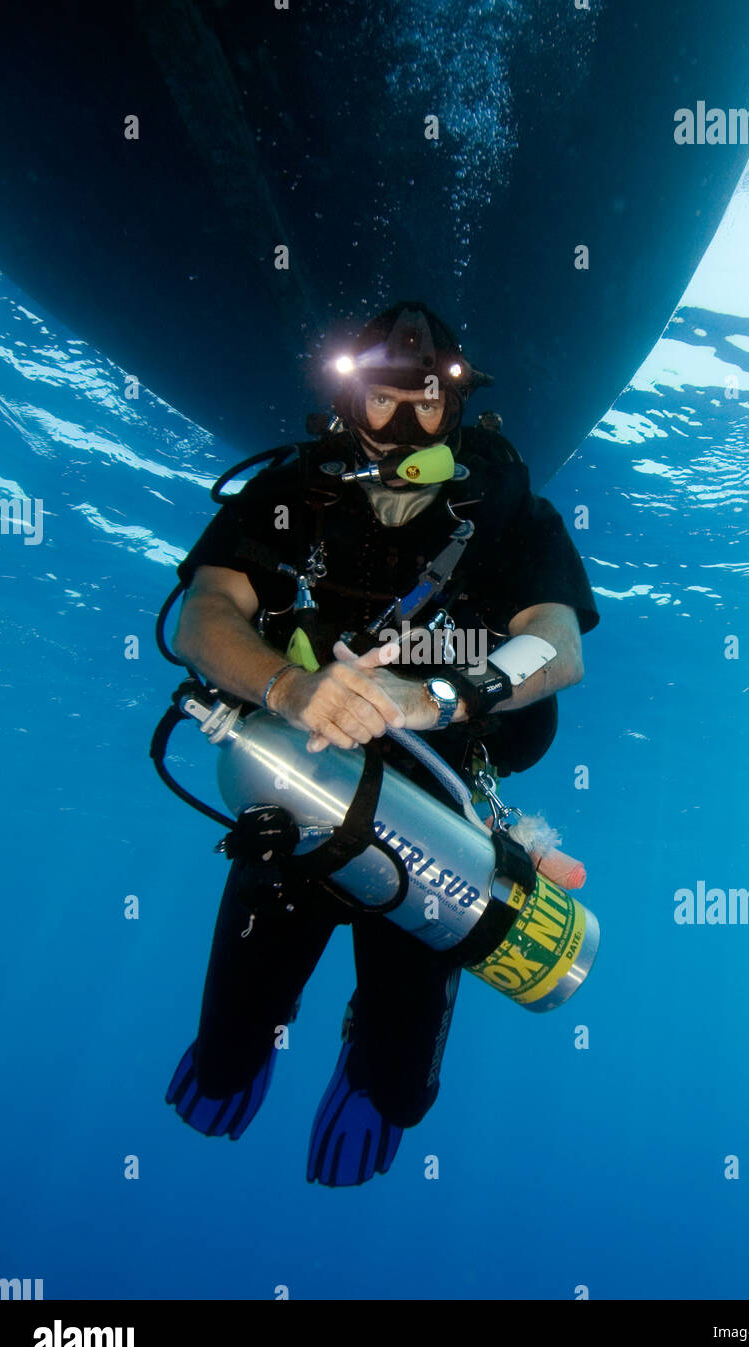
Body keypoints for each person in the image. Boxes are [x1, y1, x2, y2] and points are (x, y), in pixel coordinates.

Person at [165, 301, 600, 1184]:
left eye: (429, 400)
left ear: (460, 402)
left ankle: (373, 1038)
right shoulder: (291, 492)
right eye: (383, 397)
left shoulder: (509, 509)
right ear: (346, 398)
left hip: (437, 816)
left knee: (398, 1093)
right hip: (296, 787)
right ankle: (247, 1044)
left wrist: (430, 698)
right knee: (224, 1062)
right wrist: (290, 687)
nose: (405, 420)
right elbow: (203, 616)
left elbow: (557, 641)